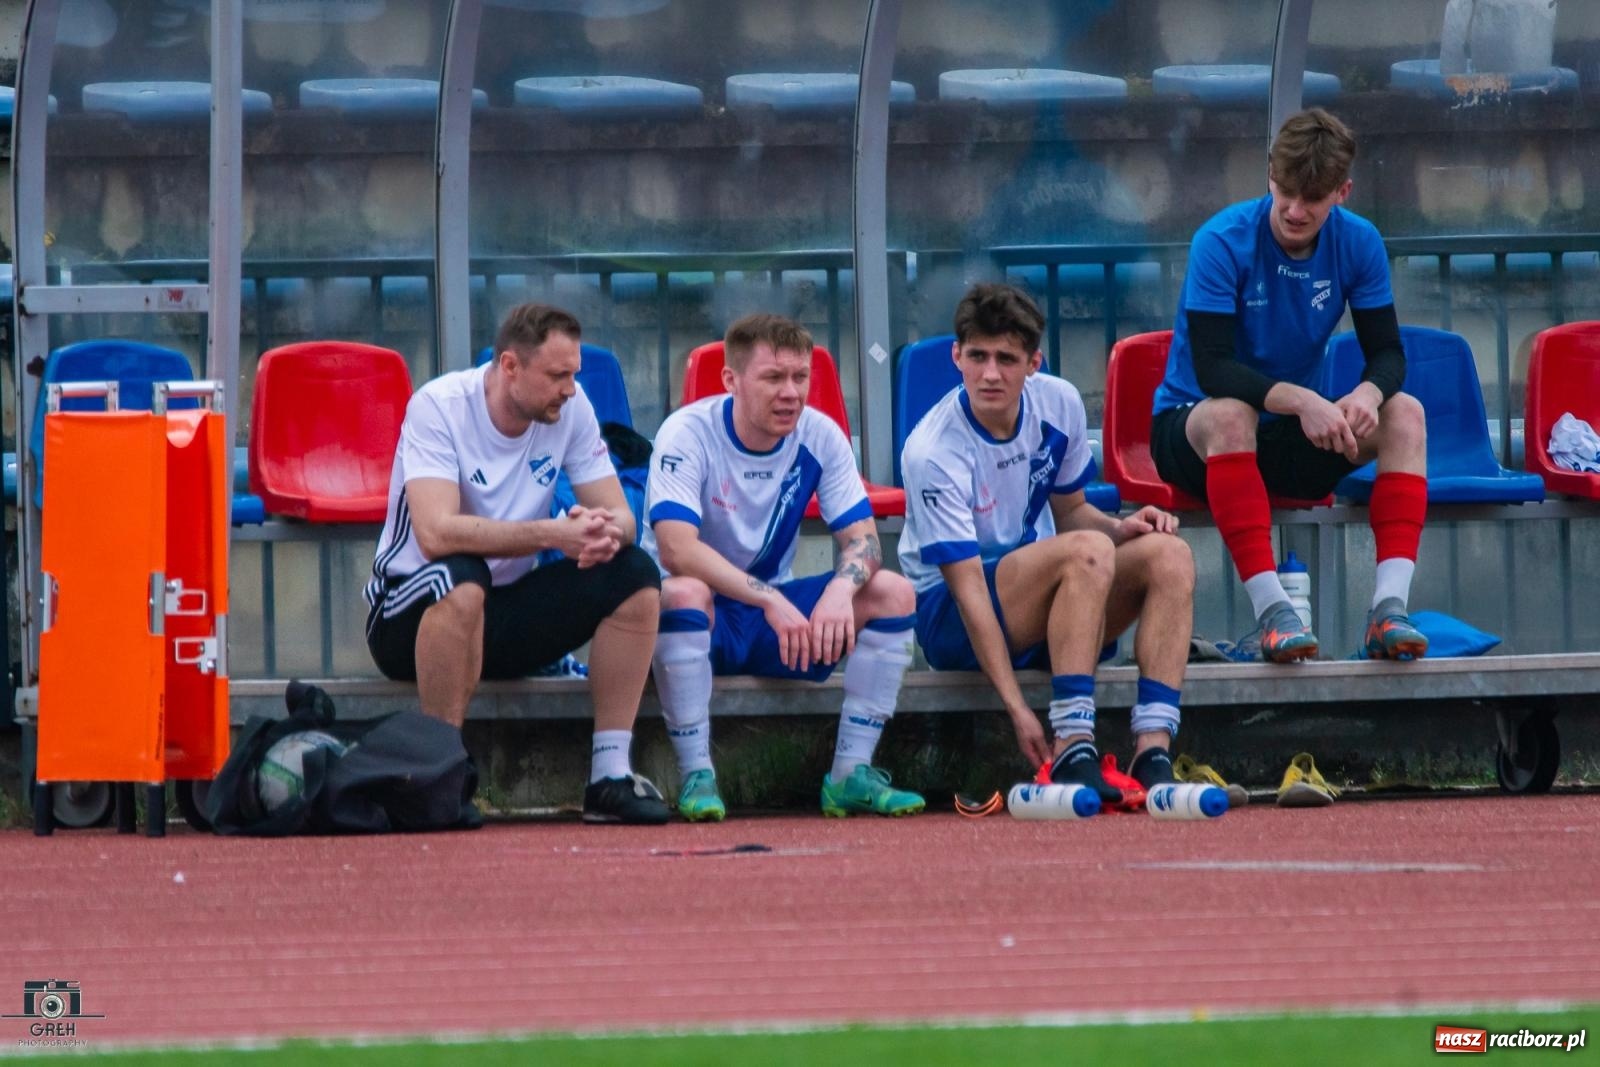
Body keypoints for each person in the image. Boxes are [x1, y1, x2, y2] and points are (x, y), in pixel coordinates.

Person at [364, 303, 670, 825]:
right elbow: (435, 534)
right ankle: (440, 775)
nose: (570, 388)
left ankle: (610, 775)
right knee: (463, 576)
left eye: (573, 374)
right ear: (510, 367)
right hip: (407, 614)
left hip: (503, 615)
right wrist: (554, 532)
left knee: (635, 572)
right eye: (557, 375)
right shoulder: (438, 407)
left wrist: (600, 532)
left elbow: (622, 515)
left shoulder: (570, 410)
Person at [1151, 107, 1429, 663]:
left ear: (1342, 192)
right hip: (1193, 431)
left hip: (1285, 435)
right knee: (1233, 412)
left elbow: (1388, 354)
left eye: (1314, 198)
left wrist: (1366, 395)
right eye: (1286, 193)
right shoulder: (1221, 241)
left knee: (1407, 413)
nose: (1296, 211)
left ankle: (1388, 610)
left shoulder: (1360, 243)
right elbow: (1212, 369)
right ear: (1270, 177)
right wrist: (1306, 400)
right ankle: (1273, 613)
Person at [900, 283, 1195, 803]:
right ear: (956, 356)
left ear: (1033, 362)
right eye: (977, 357)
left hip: (1041, 600)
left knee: (1169, 554)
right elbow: (967, 591)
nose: (991, 374)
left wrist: (1123, 528)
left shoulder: (1058, 402)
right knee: (1086, 551)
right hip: (951, 619)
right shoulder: (931, 450)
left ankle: (1153, 751)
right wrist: (1017, 709)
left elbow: (1072, 511)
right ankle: (1072, 743)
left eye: (1007, 359)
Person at [644, 313, 923, 821]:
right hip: (696, 620)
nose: (791, 392)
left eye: (800, 378)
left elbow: (864, 542)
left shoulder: (820, 434)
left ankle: (849, 776)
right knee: (685, 591)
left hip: (774, 621)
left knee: (893, 593)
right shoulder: (686, 433)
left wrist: (842, 588)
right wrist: (769, 597)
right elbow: (675, 550)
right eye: (773, 378)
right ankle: (696, 775)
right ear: (732, 380)